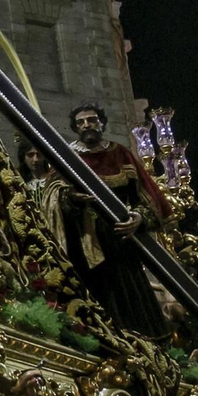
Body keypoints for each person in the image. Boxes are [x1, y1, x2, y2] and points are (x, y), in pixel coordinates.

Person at [61, 104, 172, 337]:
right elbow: (55, 196)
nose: (86, 125)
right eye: (80, 123)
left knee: (132, 295)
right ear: (75, 128)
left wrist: (139, 218)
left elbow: (147, 196)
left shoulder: (120, 154)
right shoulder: (69, 157)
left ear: (101, 123)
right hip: (86, 241)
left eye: (91, 120)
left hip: (122, 240)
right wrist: (72, 199)